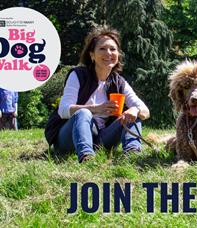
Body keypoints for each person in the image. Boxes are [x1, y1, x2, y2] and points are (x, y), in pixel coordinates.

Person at [45, 26, 150, 163]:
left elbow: (145, 111)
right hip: (68, 139)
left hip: (101, 139)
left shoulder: (119, 82)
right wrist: (96, 108)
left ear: (118, 54)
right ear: (92, 55)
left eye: (113, 49)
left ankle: (133, 154)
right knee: (83, 113)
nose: (108, 53)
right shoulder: (78, 75)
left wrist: (134, 109)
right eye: (102, 49)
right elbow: (64, 110)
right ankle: (86, 157)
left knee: (132, 114)